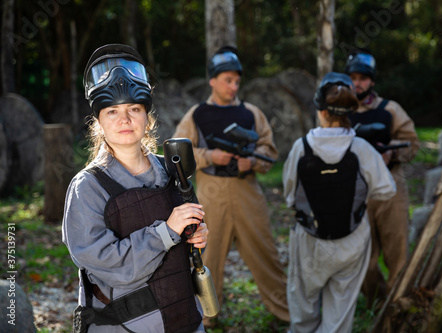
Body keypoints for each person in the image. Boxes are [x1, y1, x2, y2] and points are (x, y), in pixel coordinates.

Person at [62, 44, 208, 333]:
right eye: (112, 111)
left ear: (147, 117)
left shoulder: (170, 169)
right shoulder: (87, 187)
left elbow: (188, 231)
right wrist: (165, 232)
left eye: (134, 109)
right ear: (99, 122)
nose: (124, 119)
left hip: (185, 319)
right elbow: (109, 265)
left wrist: (197, 233)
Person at [173, 46, 289, 326]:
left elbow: (269, 150)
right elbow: (177, 153)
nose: (233, 86)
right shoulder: (197, 114)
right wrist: (211, 156)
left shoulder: (251, 113)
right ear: (212, 80)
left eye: (237, 81)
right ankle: (207, 319)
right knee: (207, 256)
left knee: (265, 253)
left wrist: (253, 163)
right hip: (211, 194)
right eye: (227, 80)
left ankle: (285, 314)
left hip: (248, 191)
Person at [282, 72, 396, 333]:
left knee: (302, 312)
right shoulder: (362, 149)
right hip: (351, 240)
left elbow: (290, 196)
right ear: (350, 111)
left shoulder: (301, 148)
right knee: (339, 318)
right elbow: (387, 190)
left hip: (309, 240)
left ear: (320, 110)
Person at [345, 50, 420, 307]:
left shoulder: (390, 109)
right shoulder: (341, 112)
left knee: (397, 251)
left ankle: (399, 305)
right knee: (363, 257)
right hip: (355, 191)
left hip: (391, 187)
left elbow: (412, 144)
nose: (358, 83)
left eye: (363, 78)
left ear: (372, 81)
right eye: (353, 78)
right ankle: (377, 305)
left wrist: (393, 153)